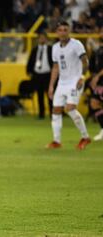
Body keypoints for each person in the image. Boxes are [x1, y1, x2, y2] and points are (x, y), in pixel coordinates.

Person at [47, 21, 91, 150]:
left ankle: (85, 137)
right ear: (57, 32)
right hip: (62, 82)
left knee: (70, 108)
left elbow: (85, 62)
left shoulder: (76, 44)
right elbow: (55, 67)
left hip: (75, 81)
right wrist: (51, 86)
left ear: (69, 31)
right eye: (60, 30)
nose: (63, 32)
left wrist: (82, 77)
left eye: (65, 30)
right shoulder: (55, 47)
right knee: (56, 110)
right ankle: (56, 141)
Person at [27, 32, 53, 119]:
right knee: (39, 95)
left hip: (47, 74)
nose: (42, 39)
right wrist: (29, 71)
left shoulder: (50, 49)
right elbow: (30, 61)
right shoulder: (35, 50)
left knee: (49, 95)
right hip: (37, 75)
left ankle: (52, 114)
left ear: (46, 39)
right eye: (40, 38)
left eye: (43, 38)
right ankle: (41, 114)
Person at [88, 35, 103, 141]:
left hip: (101, 79)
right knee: (94, 103)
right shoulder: (98, 50)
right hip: (100, 81)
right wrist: (94, 78)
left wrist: (97, 76)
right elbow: (93, 65)